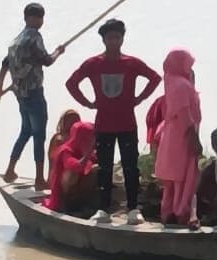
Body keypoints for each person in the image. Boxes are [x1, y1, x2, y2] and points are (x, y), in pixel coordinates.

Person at [65, 19, 161, 225]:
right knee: (105, 167)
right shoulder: (93, 64)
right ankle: (103, 209)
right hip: (104, 124)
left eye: (117, 37)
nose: (114, 41)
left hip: (127, 123)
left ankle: (134, 208)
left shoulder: (131, 63)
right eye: (110, 37)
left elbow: (154, 78)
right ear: (104, 40)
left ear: (122, 38)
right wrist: (87, 103)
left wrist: (139, 98)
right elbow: (71, 83)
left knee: (130, 167)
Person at [0, 2, 65, 192]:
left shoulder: (16, 41)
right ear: (27, 18)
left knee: (26, 131)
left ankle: (10, 170)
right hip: (33, 92)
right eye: (36, 17)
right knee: (38, 134)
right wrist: (59, 51)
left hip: (20, 94)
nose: (39, 21)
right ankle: (40, 178)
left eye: (41, 17)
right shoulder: (33, 37)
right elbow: (47, 61)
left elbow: (5, 64)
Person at [154, 49, 201, 226]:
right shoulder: (182, 85)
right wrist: (195, 140)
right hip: (182, 137)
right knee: (184, 177)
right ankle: (180, 213)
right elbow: (185, 115)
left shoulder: (172, 83)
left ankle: (168, 213)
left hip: (173, 136)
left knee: (173, 180)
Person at [44, 120, 98, 215]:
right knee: (72, 174)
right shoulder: (65, 151)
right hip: (63, 196)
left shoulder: (82, 150)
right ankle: (67, 207)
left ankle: (84, 204)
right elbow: (76, 166)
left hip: (79, 192)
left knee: (96, 170)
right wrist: (88, 153)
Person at [47, 109, 81, 184]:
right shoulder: (59, 138)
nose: (73, 122)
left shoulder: (80, 137)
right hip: (62, 175)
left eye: (76, 119)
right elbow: (54, 160)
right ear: (64, 122)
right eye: (70, 120)